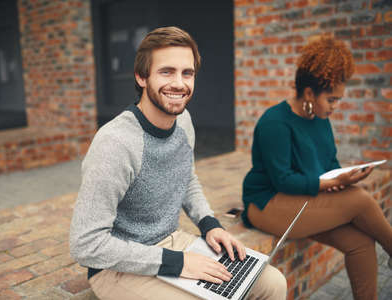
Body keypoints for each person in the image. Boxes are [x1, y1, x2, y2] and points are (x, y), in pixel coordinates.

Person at [70, 26, 287, 300]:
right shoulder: (115, 143)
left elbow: (186, 177)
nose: (179, 83)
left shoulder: (183, 122)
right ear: (141, 77)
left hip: (171, 243)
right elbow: (86, 245)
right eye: (166, 72)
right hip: (116, 267)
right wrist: (179, 263)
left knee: (272, 283)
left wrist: (210, 225)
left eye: (187, 73)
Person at [241, 36, 392, 300]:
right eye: (332, 100)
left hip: (303, 201)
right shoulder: (275, 122)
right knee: (360, 200)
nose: (336, 107)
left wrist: (345, 177)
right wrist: (330, 184)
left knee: (361, 243)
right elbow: (283, 180)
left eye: (338, 100)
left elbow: (329, 164)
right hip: (268, 204)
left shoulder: (320, 119)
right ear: (309, 93)